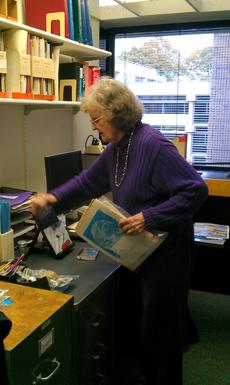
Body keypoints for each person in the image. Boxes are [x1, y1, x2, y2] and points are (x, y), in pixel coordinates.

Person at [30, 76, 208, 385]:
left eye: (97, 119)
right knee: (133, 316)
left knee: (158, 329)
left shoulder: (152, 144)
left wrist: (149, 217)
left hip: (167, 249)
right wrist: (53, 199)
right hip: (139, 247)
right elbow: (88, 183)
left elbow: (195, 190)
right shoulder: (117, 148)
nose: (94, 127)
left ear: (116, 113)